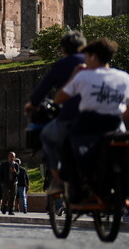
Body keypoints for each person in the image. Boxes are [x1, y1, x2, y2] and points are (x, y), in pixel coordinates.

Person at [55, 38, 129, 190]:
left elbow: (59, 98)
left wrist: (74, 75)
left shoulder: (83, 76)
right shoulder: (124, 77)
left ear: (94, 57)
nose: (85, 61)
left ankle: (74, 186)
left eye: (87, 57)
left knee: (64, 143)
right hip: (115, 125)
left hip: (88, 125)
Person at [25, 31, 86, 195]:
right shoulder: (95, 64)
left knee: (46, 135)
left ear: (63, 49)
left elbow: (41, 91)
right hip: (101, 117)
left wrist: (32, 104)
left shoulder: (62, 65)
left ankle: (57, 180)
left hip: (71, 117)